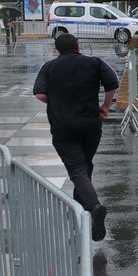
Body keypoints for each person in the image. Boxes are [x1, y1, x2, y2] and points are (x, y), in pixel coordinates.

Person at [32, 33, 119, 242]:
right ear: (79, 47)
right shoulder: (94, 62)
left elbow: (40, 94)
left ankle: (93, 207)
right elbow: (112, 82)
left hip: (63, 127)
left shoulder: (50, 67)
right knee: (85, 165)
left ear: (57, 50)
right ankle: (82, 213)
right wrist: (105, 107)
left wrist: (57, 102)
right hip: (90, 125)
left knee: (77, 169)